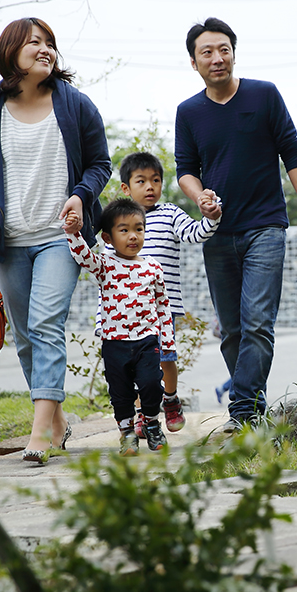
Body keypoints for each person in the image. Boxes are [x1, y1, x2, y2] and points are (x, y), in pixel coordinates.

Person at [0, 17, 111, 463]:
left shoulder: (76, 105)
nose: (45, 49)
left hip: (58, 237)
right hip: (8, 241)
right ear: (10, 53)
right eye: (34, 43)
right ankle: (58, 421)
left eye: (49, 43)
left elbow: (100, 164)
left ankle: (40, 433)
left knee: (46, 325)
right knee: (25, 336)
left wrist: (82, 196)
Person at [174, 17, 297, 432]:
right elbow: (185, 169)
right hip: (217, 233)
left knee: (258, 322)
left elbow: (292, 153)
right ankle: (253, 414)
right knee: (233, 331)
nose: (217, 58)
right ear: (194, 62)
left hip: (266, 227)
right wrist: (198, 195)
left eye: (224, 49)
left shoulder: (264, 95)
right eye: (207, 52)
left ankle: (239, 413)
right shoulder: (189, 112)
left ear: (234, 53)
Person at [114, 151, 222, 437]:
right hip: (128, 310)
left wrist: (211, 217)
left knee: (165, 358)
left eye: (156, 180)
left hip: (163, 308)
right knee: (136, 367)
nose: (150, 187)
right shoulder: (120, 220)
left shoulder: (170, 214)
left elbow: (195, 233)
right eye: (141, 181)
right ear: (126, 188)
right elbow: (107, 258)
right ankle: (142, 413)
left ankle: (171, 399)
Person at [62, 200, 175, 455]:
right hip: (115, 342)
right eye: (124, 230)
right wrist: (73, 232)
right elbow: (83, 256)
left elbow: (163, 306)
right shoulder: (105, 265)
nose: (133, 236)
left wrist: (167, 341)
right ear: (108, 237)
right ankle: (127, 434)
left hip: (147, 339)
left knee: (151, 384)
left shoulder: (152, 267)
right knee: (120, 391)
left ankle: (152, 424)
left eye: (139, 229)